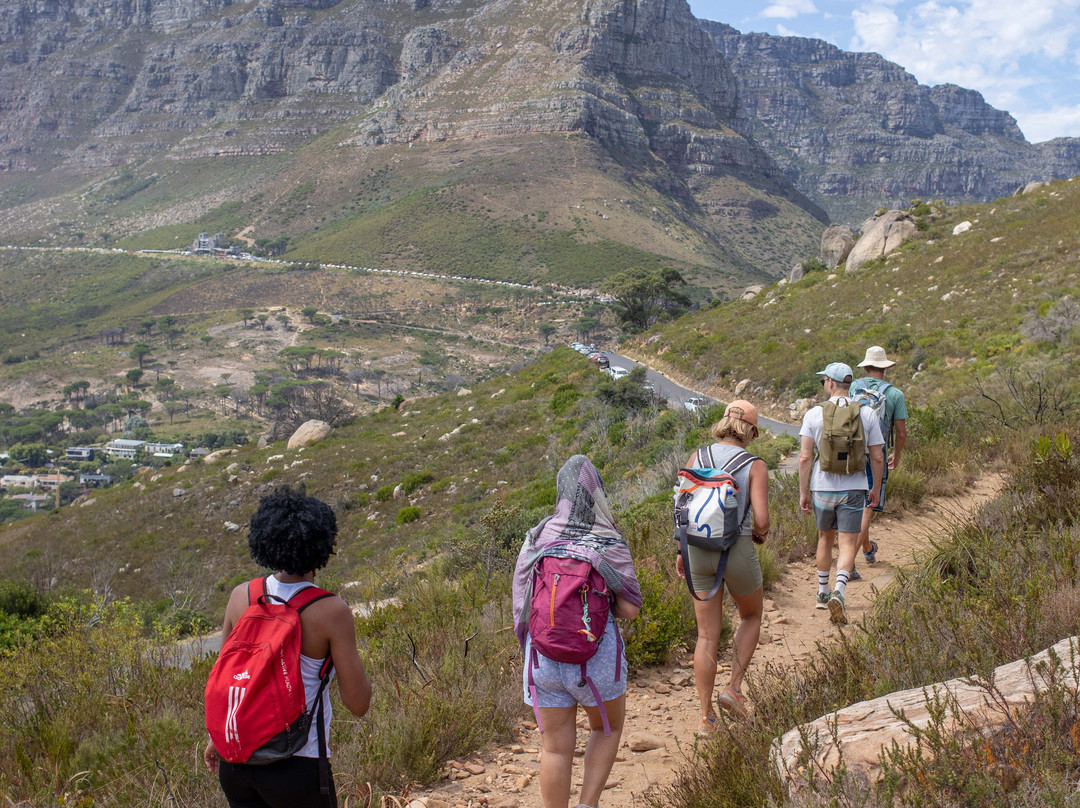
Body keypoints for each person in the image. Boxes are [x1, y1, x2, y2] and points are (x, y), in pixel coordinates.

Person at [204, 486, 372, 808]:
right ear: (322, 546)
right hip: (298, 764)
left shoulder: (242, 596)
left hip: (236, 763)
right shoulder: (331, 611)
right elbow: (358, 703)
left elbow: (226, 680)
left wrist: (217, 737)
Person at [513, 455, 642, 808]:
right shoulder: (608, 539)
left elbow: (521, 603)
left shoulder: (537, 537)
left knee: (554, 746)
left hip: (543, 658)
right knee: (606, 728)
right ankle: (587, 804)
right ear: (597, 492)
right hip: (595, 658)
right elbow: (630, 609)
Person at [676, 400, 770, 730]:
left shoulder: (697, 457)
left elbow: (682, 510)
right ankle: (733, 689)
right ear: (751, 431)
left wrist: (680, 551)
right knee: (751, 615)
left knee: (706, 636)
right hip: (737, 549)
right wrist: (759, 534)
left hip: (697, 549)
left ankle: (705, 718)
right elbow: (761, 520)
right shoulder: (754, 464)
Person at [798, 363, 885, 625]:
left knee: (825, 538)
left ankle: (822, 593)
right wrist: (876, 488)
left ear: (830, 382)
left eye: (823, 381)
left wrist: (803, 492)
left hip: (822, 487)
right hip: (854, 486)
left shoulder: (814, 414)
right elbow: (878, 456)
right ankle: (840, 592)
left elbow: (804, 458)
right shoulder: (866, 413)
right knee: (848, 543)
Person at [848, 346, 908, 575]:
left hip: (851, 452)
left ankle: (867, 549)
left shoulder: (854, 387)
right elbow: (901, 433)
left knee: (854, 504)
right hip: (876, 455)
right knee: (868, 507)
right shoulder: (895, 395)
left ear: (865, 367)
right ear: (884, 368)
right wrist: (897, 456)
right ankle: (849, 563)